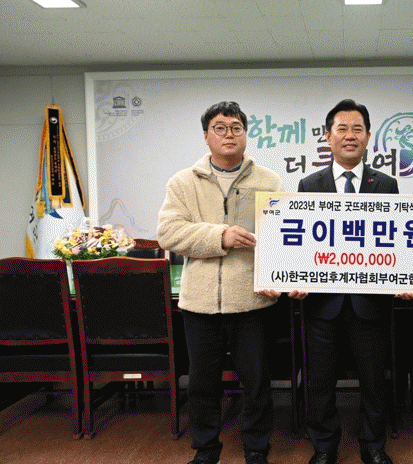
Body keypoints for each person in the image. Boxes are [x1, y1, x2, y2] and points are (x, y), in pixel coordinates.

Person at [157, 101, 283, 464]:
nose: (229, 134)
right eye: (220, 128)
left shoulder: (269, 181)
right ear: (206, 136)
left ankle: (257, 447)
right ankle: (206, 448)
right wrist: (219, 236)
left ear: (246, 134)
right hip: (200, 303)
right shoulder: (183, 182)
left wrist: (280, 275)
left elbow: (282, 238)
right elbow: (169, 233)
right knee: (202, 383)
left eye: (236, 128)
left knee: (256, 382)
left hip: (252, 300)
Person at [297, 99, 399, 464]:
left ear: (368, 136)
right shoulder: (309, 184)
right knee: (321, 381)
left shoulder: (386, 184)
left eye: (358, 129)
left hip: (370, 302)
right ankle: (324, 447)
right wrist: (294, 274)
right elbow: (302, 243)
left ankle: (373, 446)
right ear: (328, 137)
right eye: (342, 128)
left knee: (373, 381)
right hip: (321, 302)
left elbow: (395, 242)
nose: (350, 135)